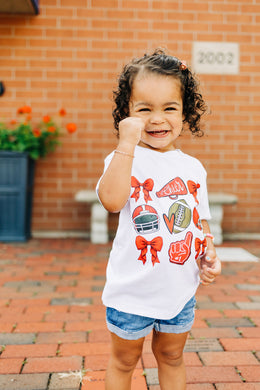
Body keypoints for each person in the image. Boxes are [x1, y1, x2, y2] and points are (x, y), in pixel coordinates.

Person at [96, 49, 221, 390]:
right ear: (127, 113)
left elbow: (200, 220)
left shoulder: (192, 168)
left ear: (185, 112)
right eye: (144, 109)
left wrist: (209, 252)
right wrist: (126, 142)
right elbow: (111, 200)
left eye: (169, 108)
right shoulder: (123, 157)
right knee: (124, 362)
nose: (157, 119)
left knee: (171, 356)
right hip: (131, 291)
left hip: (179, 288)